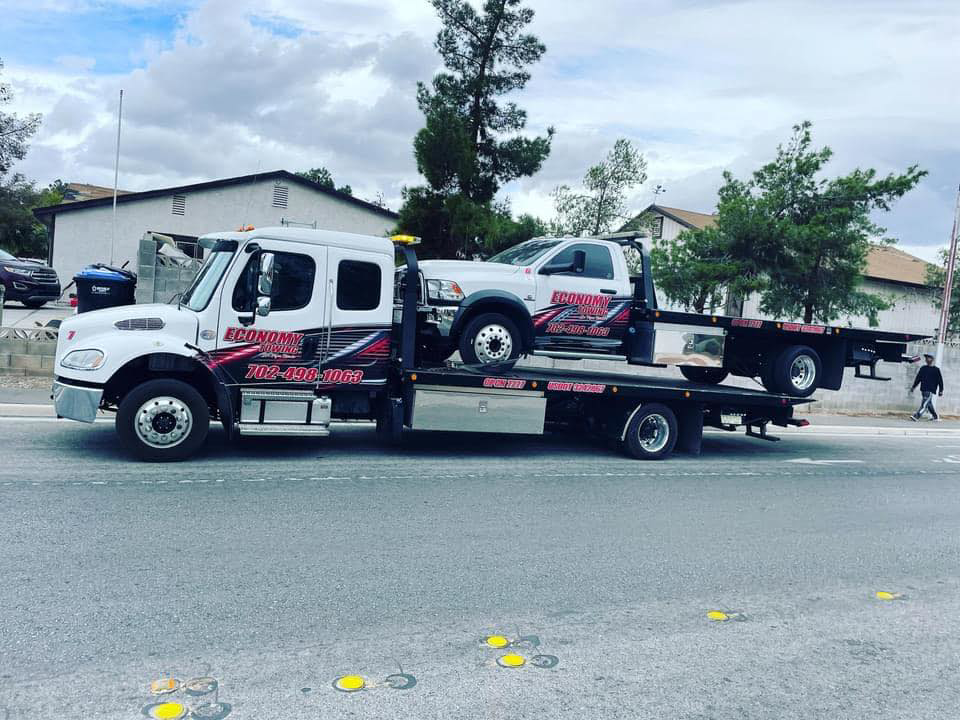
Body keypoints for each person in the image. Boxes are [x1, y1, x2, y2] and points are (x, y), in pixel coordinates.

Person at [910, 353, 944, 421]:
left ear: (932, 359)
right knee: (929, 404)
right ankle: (935, 417)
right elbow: (918, 378)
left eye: (928, 358)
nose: (927, 359)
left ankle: (917, 416)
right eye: (926, 358)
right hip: (923, 389)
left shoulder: (936, 370)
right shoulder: (923, 368)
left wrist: (941, 390)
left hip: (930, 390)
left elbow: (940, 381)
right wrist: (913, 387)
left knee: (924, 404)